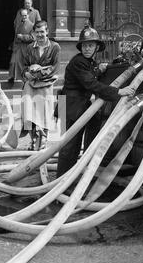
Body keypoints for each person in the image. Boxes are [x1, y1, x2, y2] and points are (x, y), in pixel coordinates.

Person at [56, 24, 136, 178]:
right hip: (69, 105)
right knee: (70, 144)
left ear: (96, 47)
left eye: (90, 45)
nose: (87, 48)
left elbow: (91, 73)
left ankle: (83, 170)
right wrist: (119, 91)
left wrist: (100, 68)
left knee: (94, 126)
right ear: (81, 47)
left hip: (77, 104)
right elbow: (91, 84)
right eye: (85, 45)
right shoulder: (78, 61)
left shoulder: (89, 62)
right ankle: (62, 182)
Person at [20, 20, 61, 150]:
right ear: (33, 33)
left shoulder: (55, 47)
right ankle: (33, 140)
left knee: (44, 111)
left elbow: (55, 67)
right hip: (30, 84)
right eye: (37, 32)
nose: (40, 35)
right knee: (28, 112)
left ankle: (43, 140)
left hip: (46, 84)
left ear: (47, 32)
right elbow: (24, 66)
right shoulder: (29, 48)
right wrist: (26, 73)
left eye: (42, 32)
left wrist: (39, 70)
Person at [8, 9, 34, 83]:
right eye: (22, 15)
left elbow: (33, 38)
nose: (24, 17)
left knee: (23, 65)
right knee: (13, 62)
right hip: (17, 47)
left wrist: (22, 36)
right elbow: (15, 37)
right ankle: (12, 77)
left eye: (25, 15)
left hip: (26, 48)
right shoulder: (19, 25)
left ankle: (23, 80)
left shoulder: (31, 25)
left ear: (28, 15)